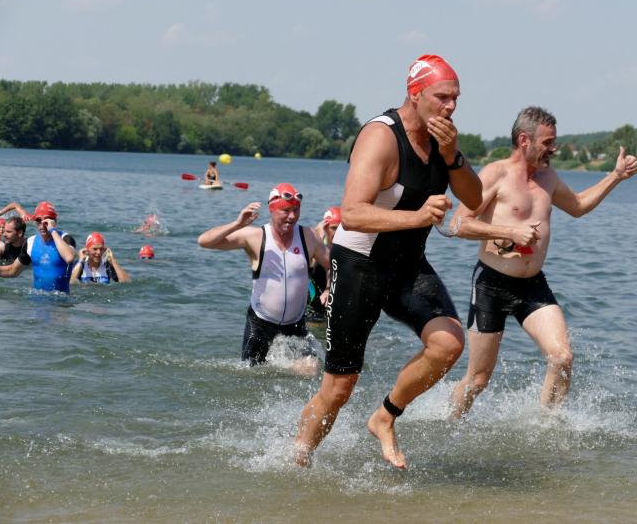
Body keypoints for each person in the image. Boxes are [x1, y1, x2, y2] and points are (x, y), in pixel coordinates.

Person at [294, 54, 483, 469]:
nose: (451, 106)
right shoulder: (381, 137)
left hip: (408, 266)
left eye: (456, 97)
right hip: (358, 264)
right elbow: (352, 213)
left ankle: (385, 416)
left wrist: (453, 155)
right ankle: (297, 460)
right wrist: (418, 217)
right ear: (416, 94)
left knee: (449, 343)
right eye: (442, 96)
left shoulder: (443, 141)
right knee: (339, 388)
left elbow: (475, 197)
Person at [446, 106, 637, 418]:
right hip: (490, 285)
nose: (554, 149)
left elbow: (578, 206)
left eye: (554, 142)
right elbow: (457, 224)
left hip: (533, 285)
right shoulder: (496, 174)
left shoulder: (548, 178)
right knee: (478, 380)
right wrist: (509, 231)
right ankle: (450, 424)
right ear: (524, 140)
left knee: (562, 358)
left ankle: (547, 429)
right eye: (548, 142)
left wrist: (615, 176)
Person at [198, 183, 331, 376]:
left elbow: (332, 265)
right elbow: (204, 241)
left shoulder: (308, 236)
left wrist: (328, 289)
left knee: (311, 370)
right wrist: (237, 224)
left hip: (295, 324)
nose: (292, 216)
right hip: (261, 323)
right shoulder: (255, 236)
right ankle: (282, 369)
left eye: (296, 210)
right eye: (286, 211)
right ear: (272, 210)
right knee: (252, 375)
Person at [0, 201, 76, 293]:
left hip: (60, 301)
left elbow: (69, 258)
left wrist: (52, 230)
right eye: (38, 220)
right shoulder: (31, 242)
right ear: (35, 221)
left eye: (47, 220)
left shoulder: (65, 238)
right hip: (36, 299)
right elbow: (12, 271)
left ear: (54, 221)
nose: (42, 225)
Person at [306, 206, 341, 321]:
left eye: (341, 228)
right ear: (326, 228)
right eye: (334, 228)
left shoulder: (346, 248)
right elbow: (306, 265)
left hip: (334, 306)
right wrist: (316, 237)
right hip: (313, 307)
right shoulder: (319, 246)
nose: (338, 232)